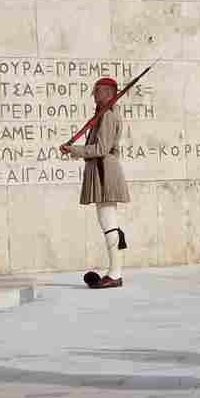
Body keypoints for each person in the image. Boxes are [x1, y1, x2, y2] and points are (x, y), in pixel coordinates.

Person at [61, 77, 131, 289]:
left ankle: (115, 273)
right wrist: (77, 152)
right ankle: (114, 272)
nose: (94, 95)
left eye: (97, 91)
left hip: (104, 171)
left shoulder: (108, 116)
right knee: (107, 221)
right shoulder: (102, 115)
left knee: (108, 221)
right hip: (100, 169)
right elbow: (96, 147)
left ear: (108, 94)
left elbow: (101, 149)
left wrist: (75, 149)